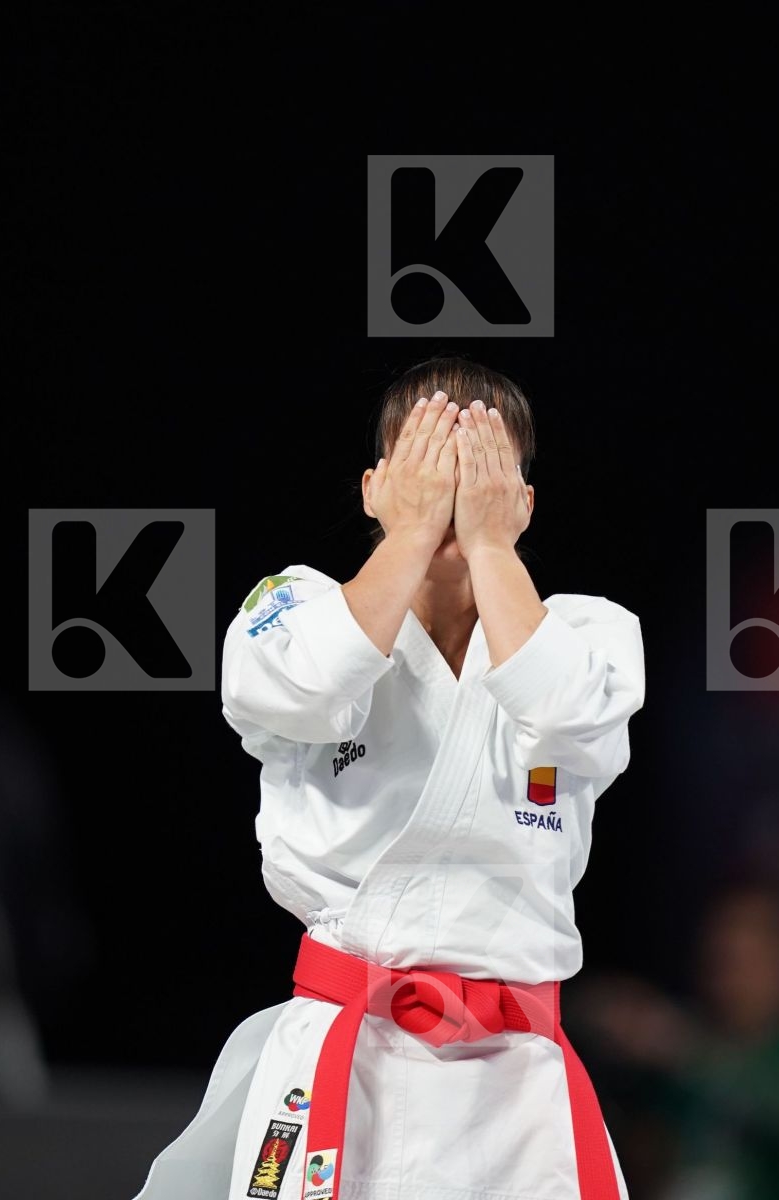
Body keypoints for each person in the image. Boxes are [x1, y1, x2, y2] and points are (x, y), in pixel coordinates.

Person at [137, 358, 645, 1200]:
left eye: (482, 471)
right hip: (346, 1059)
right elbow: (289, 689)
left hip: (518, 1092)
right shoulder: (292, 609)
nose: (454, 492)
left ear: (521, 501)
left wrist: (486, 547)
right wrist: (412, 539)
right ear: (376, 488)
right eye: (429, 468)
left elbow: (560, 714)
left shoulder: (592, 634)